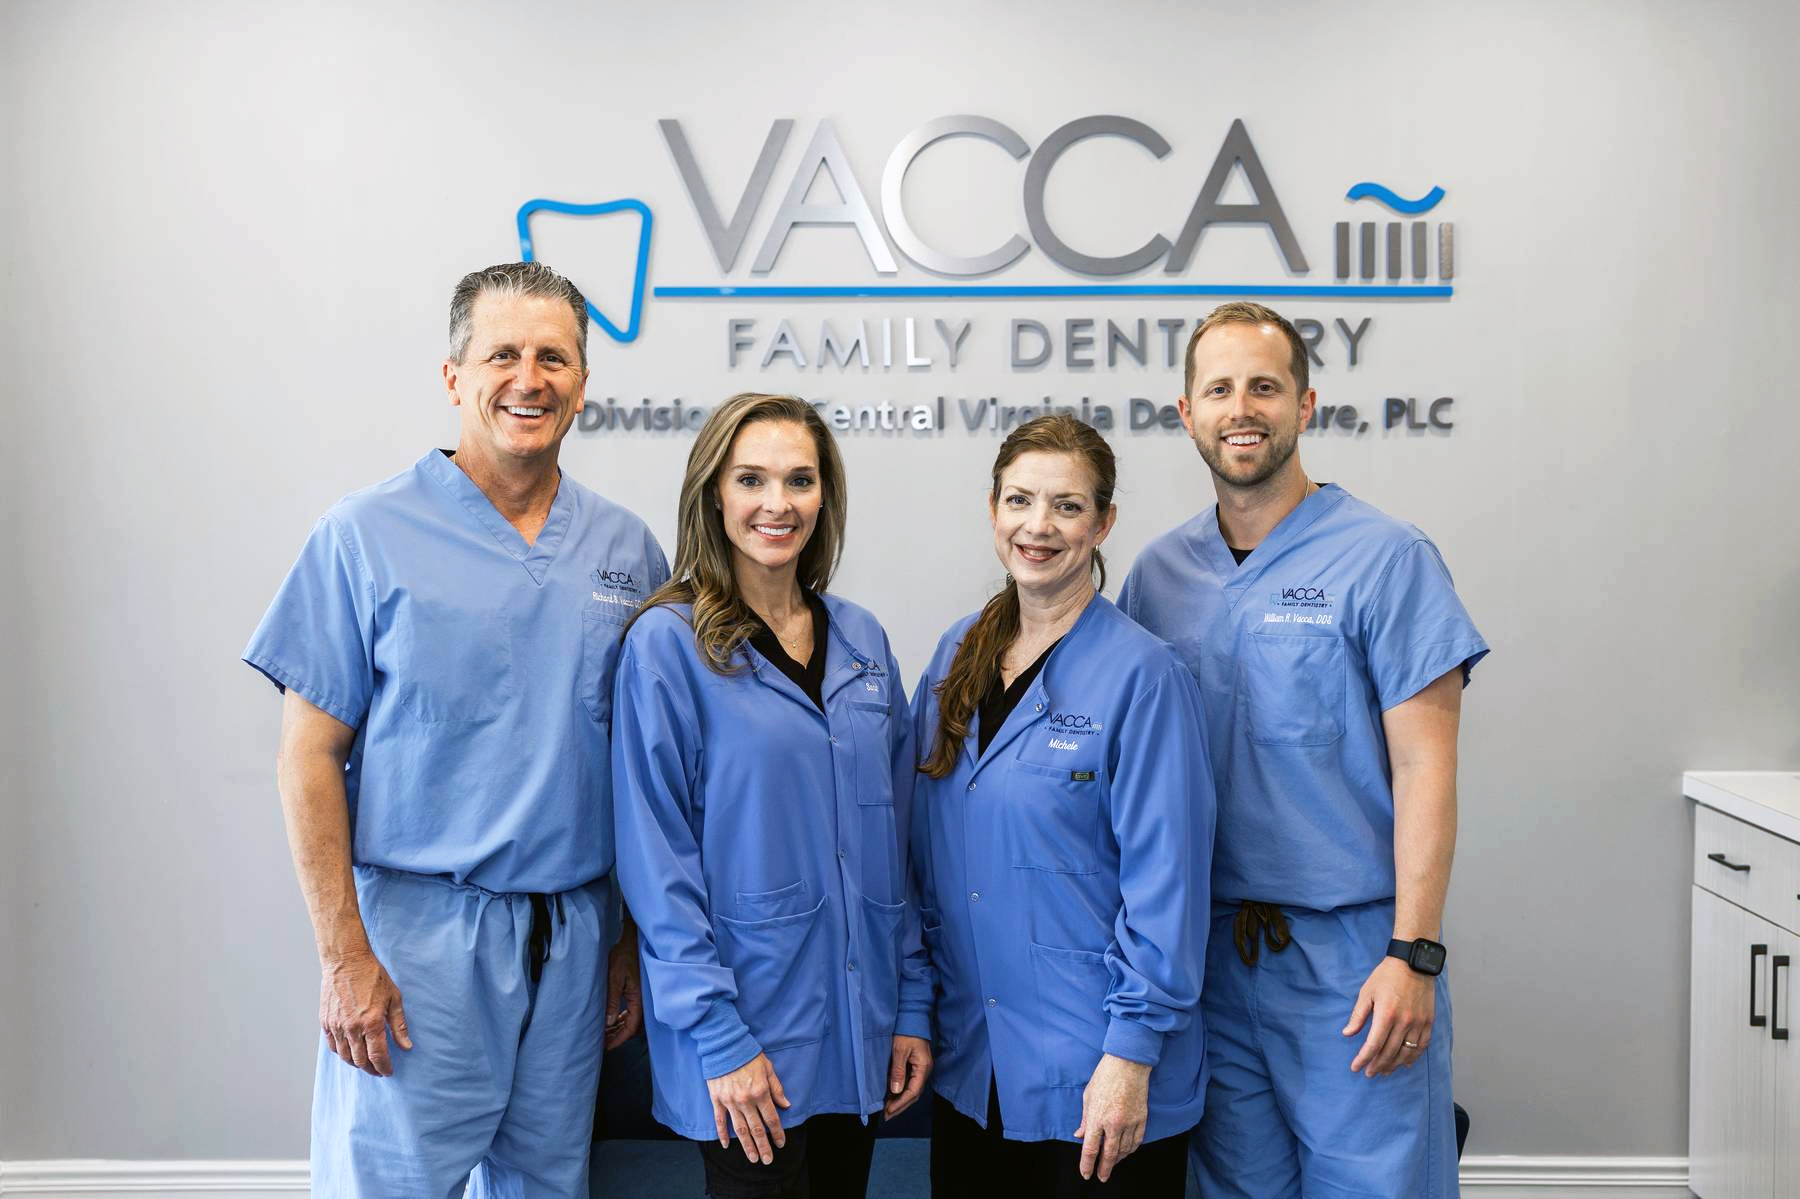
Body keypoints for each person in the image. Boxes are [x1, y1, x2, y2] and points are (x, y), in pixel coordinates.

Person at [242, 261, 666, 1196]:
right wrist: (344, 954)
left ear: (584, 384)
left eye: (554, 357)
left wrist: (626, 940)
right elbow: (307, 757)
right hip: (420, 940)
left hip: (575, 938)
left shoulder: (628, 551)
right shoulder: (365, 535)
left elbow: (641, 768)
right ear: (453, 377)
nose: (530, 378)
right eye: (502, 353)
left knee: (545, 1188)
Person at [1118, 301, 1489, 1198]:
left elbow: (1426, 769)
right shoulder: (1157, 575)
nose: (1241, 407)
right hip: (1210, 960)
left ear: (1306, 404)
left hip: (1355, 962)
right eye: (1219, 388)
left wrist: (1415, 953)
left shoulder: (1388, 559)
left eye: (1264, 386)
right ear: (1187, 412)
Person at [610, 392, 932, 1199]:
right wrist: (718, 1036)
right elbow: (657, 863)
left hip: (858, 1024)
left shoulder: (861, 638)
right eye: (751, 479)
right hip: (747, 1032)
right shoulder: (669, 644)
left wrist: (912, 1005)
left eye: (800, 479)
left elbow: (900, 844)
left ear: (825, 496)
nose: (777, 504)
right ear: (713, 493)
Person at [910, 415, 1215, 1198]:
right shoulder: (952, 658)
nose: (1038, 526)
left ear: (1104, 522)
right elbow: (919, 860)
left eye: (1067, 506)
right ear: (992, 509)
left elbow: (1168, 888)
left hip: (1098, 1075)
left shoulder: (1144, 676)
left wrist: (1129, 1055)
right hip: (975, 1068)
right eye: (1020, 500)